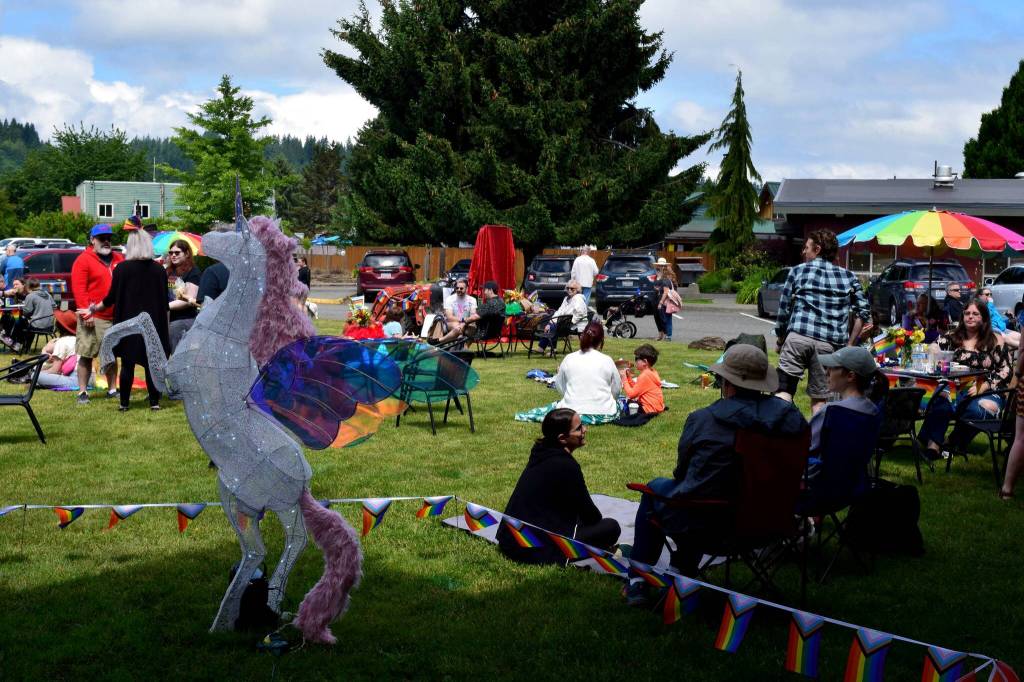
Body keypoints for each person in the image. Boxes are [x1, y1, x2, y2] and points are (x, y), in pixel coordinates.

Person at [624, 345, 807, 605]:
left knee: (660, 492)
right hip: (772, 523)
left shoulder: (705, 420)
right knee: (699, 496)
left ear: (725, 382)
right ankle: (680, 571)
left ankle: (639, 579)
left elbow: (683, 473)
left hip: (711, 527)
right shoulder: (792, 420)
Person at [497, 408, 621, 565]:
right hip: (534, 549)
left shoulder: (540, 452)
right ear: (562, 438)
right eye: (579, 428)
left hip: (510, 540)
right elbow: (591, 516)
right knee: (610, 527)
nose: (585, 429)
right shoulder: (566, 466)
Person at [774, 229, 870, 414]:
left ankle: (779, 437)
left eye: (806, 248)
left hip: (797, 339)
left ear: (817, 249)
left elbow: (783, 310)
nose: (803, 252)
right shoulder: (848, 277)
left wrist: (780, 340)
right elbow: (863, 312)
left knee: (783, 391)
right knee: (820, 401)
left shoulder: (797, 271)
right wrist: (849, 345)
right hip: (828, 346)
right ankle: (818, 440)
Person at [917, 299, 1012, 460]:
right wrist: (933, 350)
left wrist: (985, 386)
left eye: (975, 313)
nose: (970, 317)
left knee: (979, 410)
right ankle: (933, 447)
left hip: (986, 390)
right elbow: (933, 349)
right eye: (967, 313)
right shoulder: (952, 337)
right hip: (955, 388)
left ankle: (951, 442)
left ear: (984, 318)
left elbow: (1006, 370)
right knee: (943, 397)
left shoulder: (995, 340)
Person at [90, 229, 170, 411]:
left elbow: (111, 298)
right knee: (152, 363)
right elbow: (165, 303)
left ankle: (124, 403)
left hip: (128, 324)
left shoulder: (122, 269)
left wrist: (94, 308)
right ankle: (154, 402)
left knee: (128, 363)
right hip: (154, 324)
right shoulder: (159, 270)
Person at [516, 321, 622, 424]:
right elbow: (616, 389)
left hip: (572, 411)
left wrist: (571, 396)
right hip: (605, 413)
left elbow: (559, 385)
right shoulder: (607, 360)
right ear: (601, 341)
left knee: (554, 407)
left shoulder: (569, 358)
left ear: (582, 336)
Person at [805, 346, 885, 483]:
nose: (826, 372)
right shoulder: (874, 411)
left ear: (850, 376)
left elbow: (804, 446)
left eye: (832, 368)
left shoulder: (831, 411)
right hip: (853, 486)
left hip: (818, 486)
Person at [71, 224, 124, 405]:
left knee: (111, 354)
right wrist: (87, 315)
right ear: (92, 240)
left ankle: (112, 389)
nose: (106, 241)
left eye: (109, 237)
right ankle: (82, 392)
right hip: (94, 316)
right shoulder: (83, 260)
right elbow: (79, 289)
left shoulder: (119, 258)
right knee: (86, 354)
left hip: (115, 316)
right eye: (102, 238)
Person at [435, 280, 504, 345]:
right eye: (457, 288)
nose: (483, 292)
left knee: (460, 328)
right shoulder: (501, 302)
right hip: (494, 332)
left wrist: (464, 322)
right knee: (460, 327)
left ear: (490, 290)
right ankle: (460, 349)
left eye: (484, 290)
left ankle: (440, 341)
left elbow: (474, 316)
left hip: (481, 332)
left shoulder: (488, 304)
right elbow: (450, 317)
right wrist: (465, 321)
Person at [164, 240, 202, 352]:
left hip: (183, 320)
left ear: (186, 253)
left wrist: (164, 306)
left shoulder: (193, 271)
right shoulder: (168, 271)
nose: (173, 255)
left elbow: (189, 300)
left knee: (179, 356)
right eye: (171, 253)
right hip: (167, 320)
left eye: (177, 252)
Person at [615, 343, 665, 425]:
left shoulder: (644, 376)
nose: (635, 361)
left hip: (649, 409)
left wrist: (624, 379)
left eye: (636, 359)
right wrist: (629, 378)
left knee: (624, 403)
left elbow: (631, 394)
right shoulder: (652, 372)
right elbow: (637, 388)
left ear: (645, 362)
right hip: (657, 407)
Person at [536, 280, 589, 356]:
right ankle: (543, 349)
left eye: (572, 288)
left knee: (553, 326)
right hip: (564, 322)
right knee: (551, 324)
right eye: (568, 288)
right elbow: (559, 312)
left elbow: (580, 313)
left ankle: (551, 349)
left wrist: (571, 321)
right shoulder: (566, 299)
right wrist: (551, 321)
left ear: (577, 290)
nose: (569, 290)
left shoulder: (578, 299)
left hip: (576, 325)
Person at [0, 278, 54, 352]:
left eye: (17, 284)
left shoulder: (30, 295)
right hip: (50, 324)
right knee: (17, 319)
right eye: (14, 285)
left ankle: (16, 343)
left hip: (37, 323)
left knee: (21, 321)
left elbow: (27, 312)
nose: (15, 286)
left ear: (26, 286)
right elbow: (54, 306)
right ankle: (19, 344)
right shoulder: (47, 294)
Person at [654, 259, 677, 342]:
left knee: (666, 319)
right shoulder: (659, 276)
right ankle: (664, 335)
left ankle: (668, 336)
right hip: (662, 299)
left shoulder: (666, 278)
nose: (659, 267)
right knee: (662, 318)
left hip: (666, 301)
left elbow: (666, 291)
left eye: (661, 266)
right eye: (658, 266)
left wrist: (661, 302)